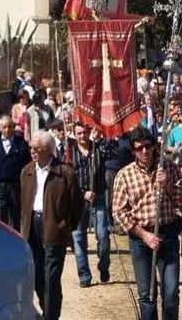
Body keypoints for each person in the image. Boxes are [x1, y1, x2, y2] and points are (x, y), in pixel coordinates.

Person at [112, 127, 182, 320]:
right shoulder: (124, 175)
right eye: (139, 149)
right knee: (147, 296)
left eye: (147, 147)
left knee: (170, 294)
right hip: (141, 239)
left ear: (155, 147)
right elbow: (119, 211)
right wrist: (144, 235)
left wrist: (168, 184)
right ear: (133, 151)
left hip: (168, 235)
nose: (144, 152)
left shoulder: (168, 167)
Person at [20, 130, 84, 320]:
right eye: (30, 148)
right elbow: (22, 203)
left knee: (51, 278)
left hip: (54, 229)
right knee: (37, 277)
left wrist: (65, 225)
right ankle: (47, 310)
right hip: (32, 227)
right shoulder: (27, 171)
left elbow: (77, 204)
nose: (32, 152)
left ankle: (51, 316)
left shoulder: (65, 172)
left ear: (48, 150)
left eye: (36, 149)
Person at [69, 123, 111, 287]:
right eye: (78, 133)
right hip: (78, 201)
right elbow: (69, 179)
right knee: (78, 239)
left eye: (84, 133)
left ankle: (104, 265)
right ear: (74, 135)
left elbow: (111, 151)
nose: (82, 136)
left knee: (102, 236)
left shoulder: (98, 149)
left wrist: (101, 136)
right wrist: (82, 193)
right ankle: (84, 275)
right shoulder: (70, 153)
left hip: (98, 198)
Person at [0, 115, 30, 230]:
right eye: (4, 127)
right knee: (0, 213)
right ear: (0, 128)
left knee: (16, 214)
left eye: (10, 127)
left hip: (16, 185)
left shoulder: (21, 144)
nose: (7, 130)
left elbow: (27, 164)